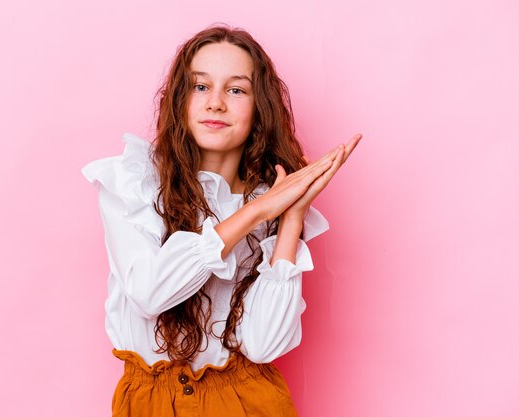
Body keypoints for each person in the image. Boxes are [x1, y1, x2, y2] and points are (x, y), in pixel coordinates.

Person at [81, 24, 361, 417]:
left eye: (236, 89)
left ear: (258, 106)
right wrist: (256, 213)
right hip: (152, 402)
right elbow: (149, 293)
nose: (215, 103)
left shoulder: (272, 198)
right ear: (180, 98)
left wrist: (291, 219)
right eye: (200, 86)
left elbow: (263, 345)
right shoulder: (132, 182)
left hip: (248, 402)